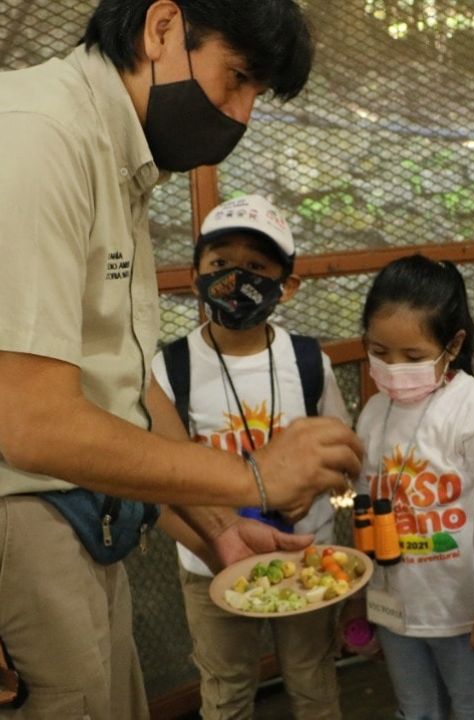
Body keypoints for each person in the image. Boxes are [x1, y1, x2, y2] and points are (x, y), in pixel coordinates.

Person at [0, 3, 362, 718]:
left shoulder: (119, 158)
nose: (242, 115)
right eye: (237, 79)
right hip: (26, 512)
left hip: (85, 516)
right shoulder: (41, 138)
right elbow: (29, 421)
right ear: (163, 28)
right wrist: (254, 473)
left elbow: (126, 390)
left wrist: (221, 525)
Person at [150, 195, 347, 720]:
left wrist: (314, 489)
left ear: (288, 285)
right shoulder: (168, 368)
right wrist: (212, 547)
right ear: (194, 275)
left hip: (306, 554)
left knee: (313, 681)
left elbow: (339, 455)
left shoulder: (308, 362)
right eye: (220, 265)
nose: (236, 280)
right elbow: (158, 483)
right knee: (226, 688)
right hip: (208, 562)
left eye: (256, 268)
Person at [354, 254, 474, 720]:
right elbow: (364, 508)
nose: (392, 368)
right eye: (379, 352)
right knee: (415, 710)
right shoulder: (373, 414)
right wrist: (359, 598)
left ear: (453, 344)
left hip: (466, 613)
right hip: (397, 609)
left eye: (412, 357)